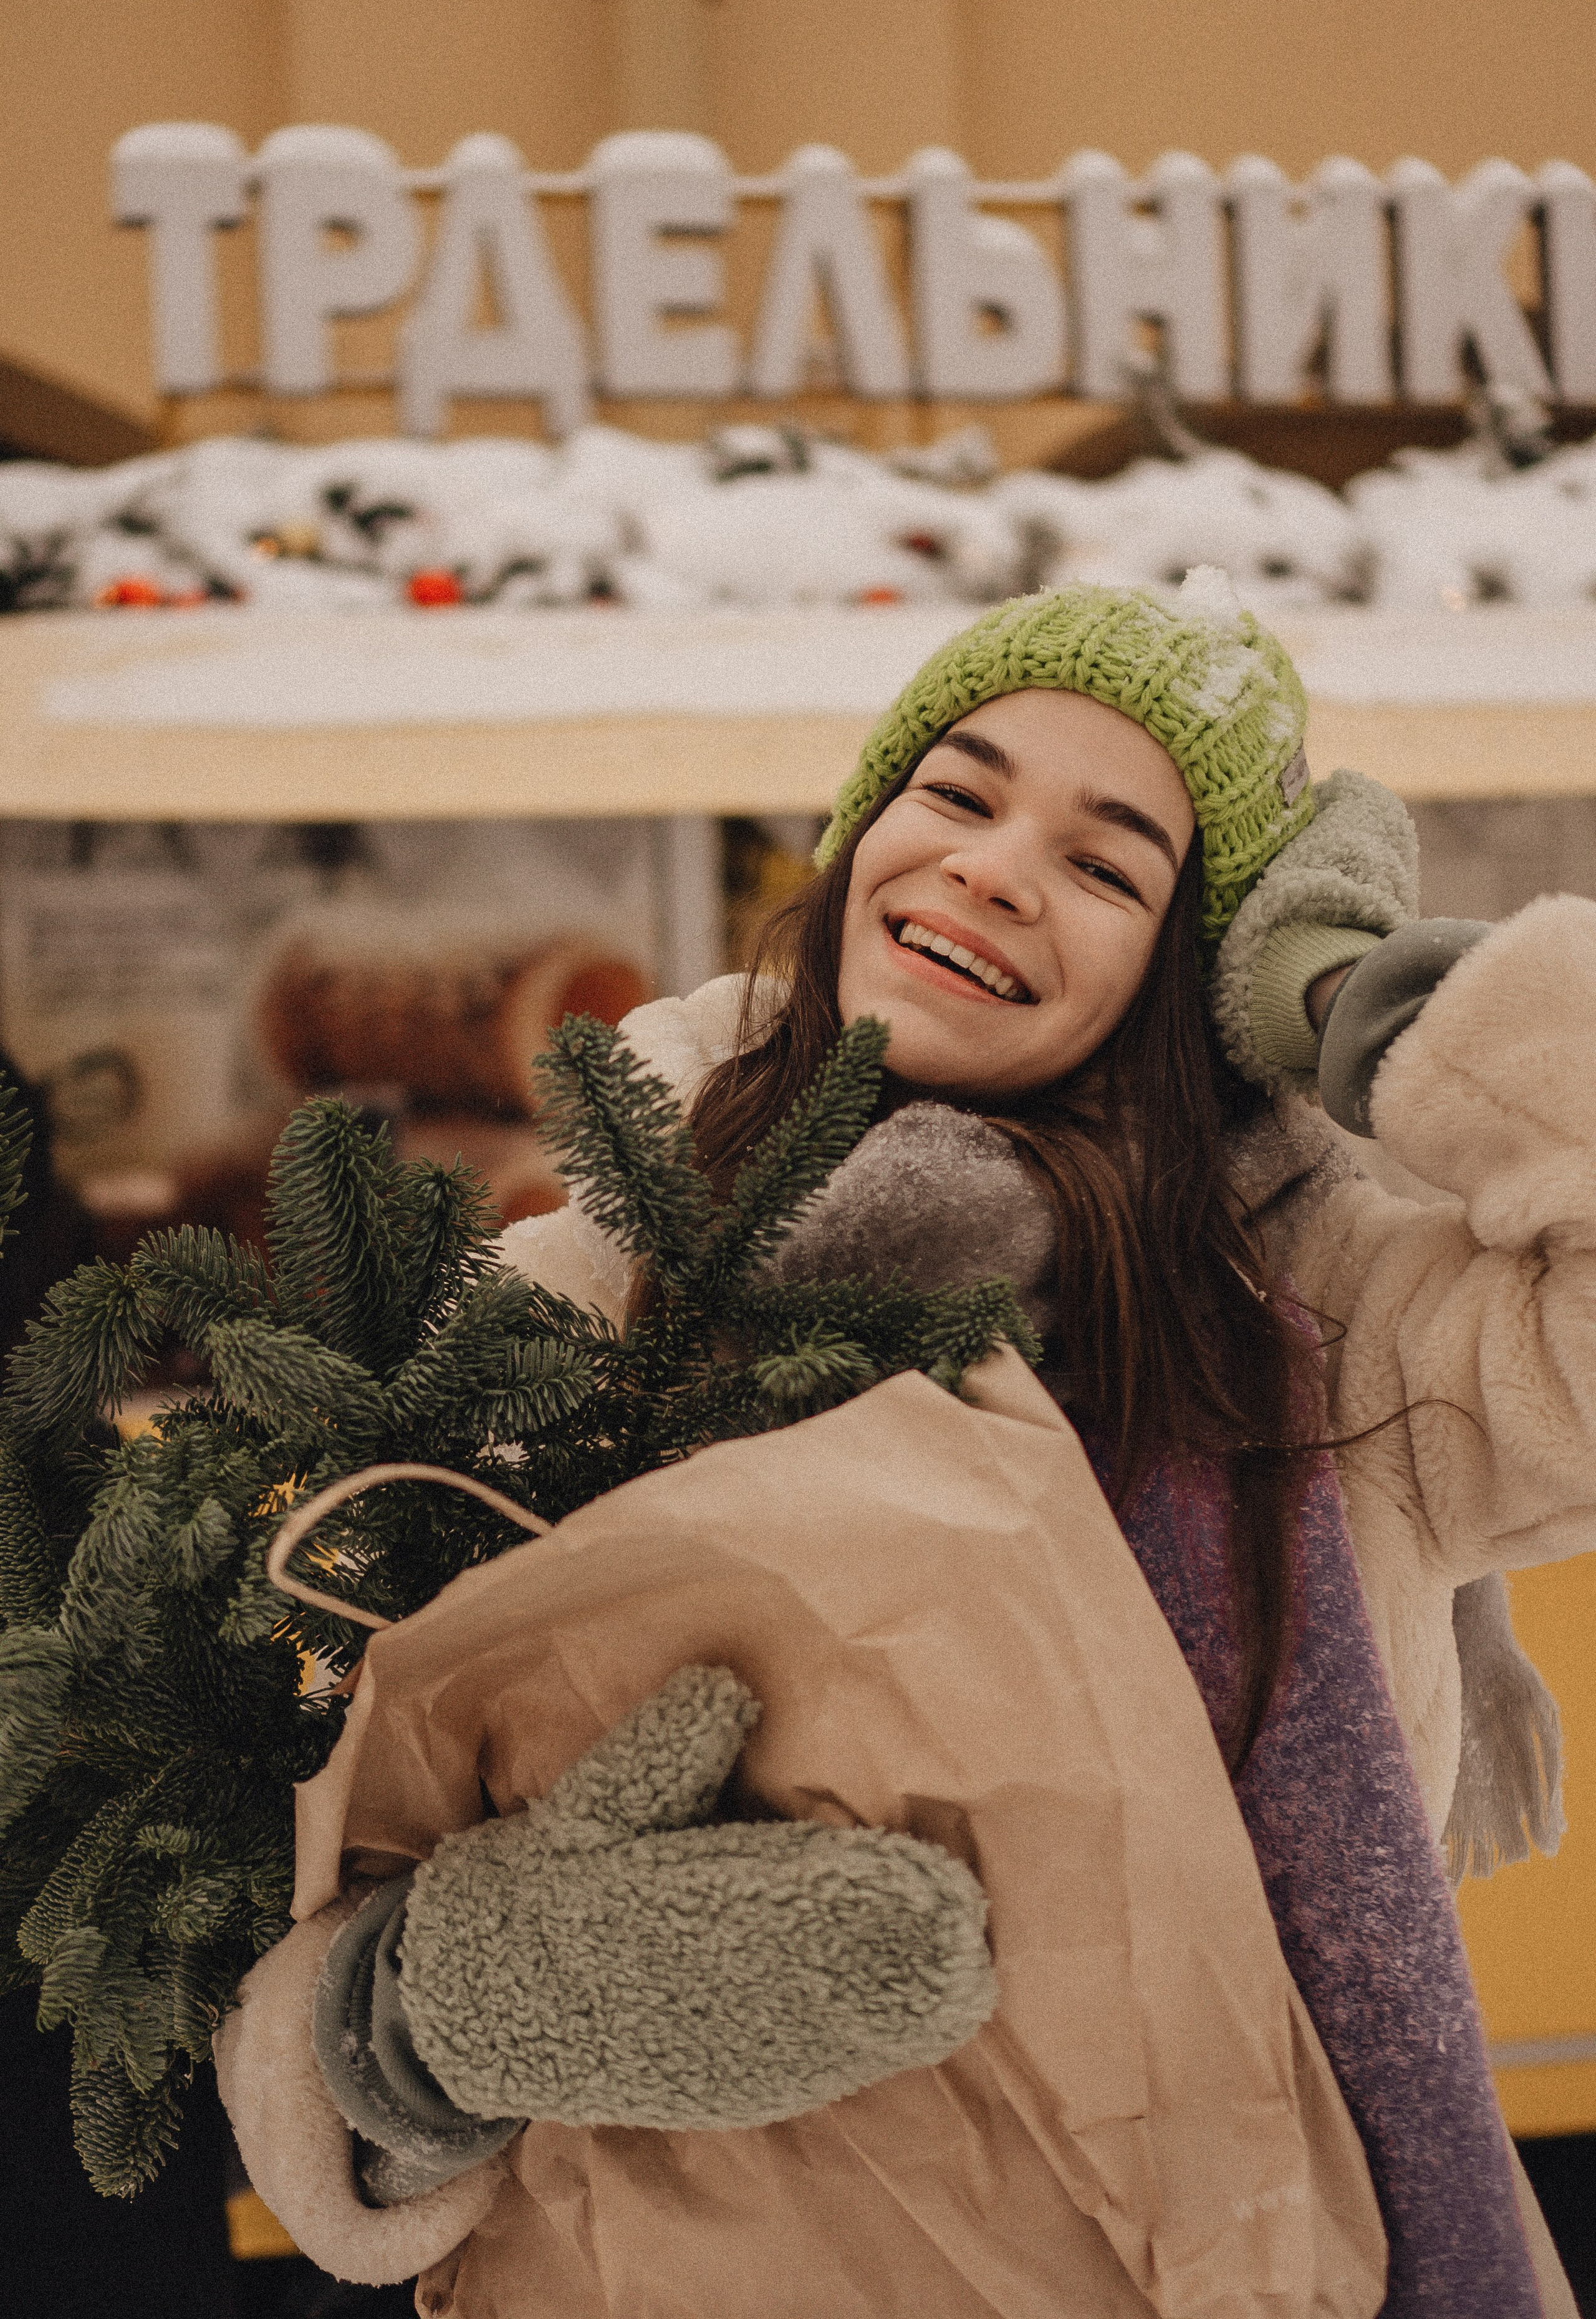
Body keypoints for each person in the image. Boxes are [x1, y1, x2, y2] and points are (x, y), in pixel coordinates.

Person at [222, 574, 1594, 2317]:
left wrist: (1355, 1000)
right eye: (955, 792)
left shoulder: (1339, 1335)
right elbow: (231, 1832)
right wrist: (422, 2019)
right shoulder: (579, 1293)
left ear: (1202, 980)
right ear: (862, 830)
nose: (996, 868)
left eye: (1107, 867)